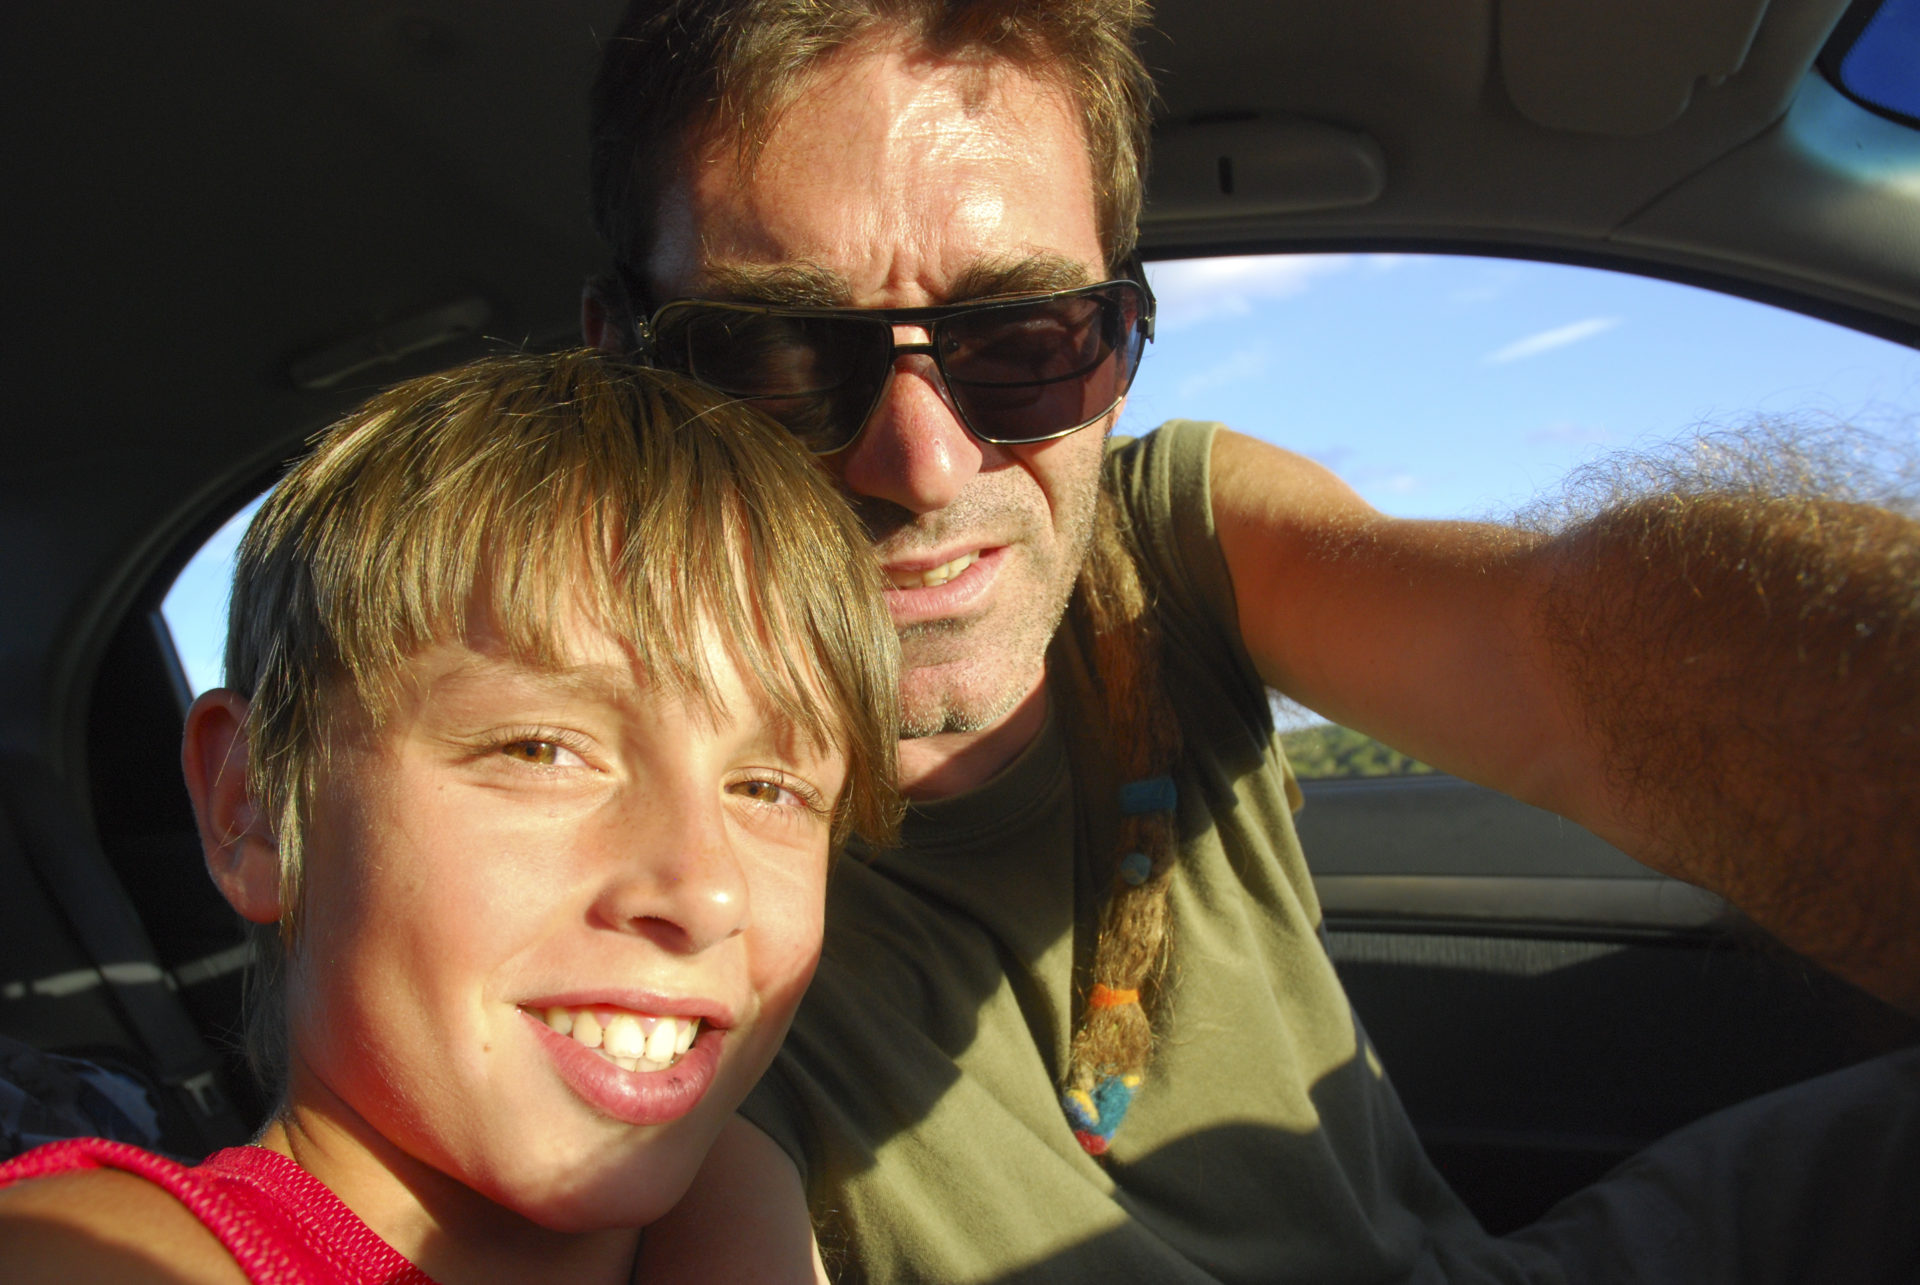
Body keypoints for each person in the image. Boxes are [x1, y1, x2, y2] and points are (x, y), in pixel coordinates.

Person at [582, 2, 1920, 1281]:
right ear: (622, 364)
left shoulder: (1172, 545)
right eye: (775, 356)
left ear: (1121, 344)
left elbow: (1575, 648)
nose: (925, 462)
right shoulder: (584, 840)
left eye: (1029, 338)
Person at [0, 351, 900, 1284]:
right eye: (539, 750)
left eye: (769, 790)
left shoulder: (741, 1206)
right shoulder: (97, 1256)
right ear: (255, 806)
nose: (707, 892)